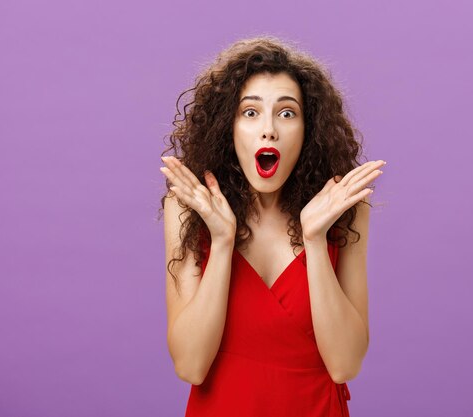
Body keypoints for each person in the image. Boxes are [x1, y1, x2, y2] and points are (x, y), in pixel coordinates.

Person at [158, 35, 386, 417]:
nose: (269, 130)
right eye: (250, 113)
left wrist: (315, 241)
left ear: (308, 129)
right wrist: (222, 240)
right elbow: (190, 365)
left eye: (286, 113)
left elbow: (345, 364)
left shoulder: (344, 210)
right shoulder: (186, 209)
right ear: (227, 128)